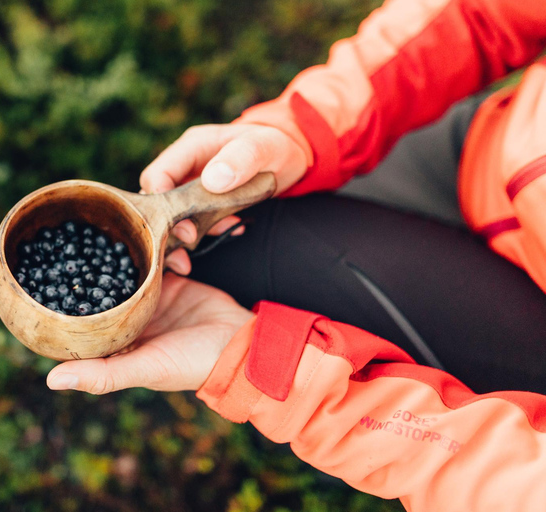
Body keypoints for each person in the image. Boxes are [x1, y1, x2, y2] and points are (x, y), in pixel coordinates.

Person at [47, 0, 546, 509]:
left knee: (237, 259)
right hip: (491, 153)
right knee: (227, 231)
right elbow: (479, 12)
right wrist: (306, 132)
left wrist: (284, 381)